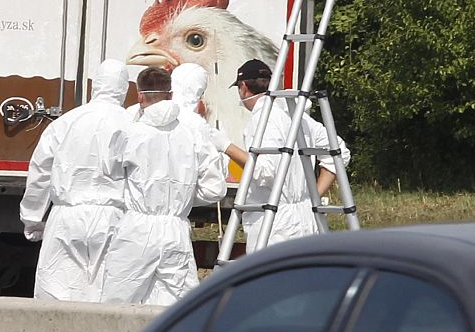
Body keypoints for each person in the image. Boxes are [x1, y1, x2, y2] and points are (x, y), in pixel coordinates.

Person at [100, 66, 228, 306]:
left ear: (139, 95)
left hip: (136, 227)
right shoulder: (192, 134)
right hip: (175, 228)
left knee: (116, 305)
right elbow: (215, 189)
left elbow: (109, 173)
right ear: (170, 94)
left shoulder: (129, 132)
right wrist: (184, 196)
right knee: (176, 308)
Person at [20, 58, 134, 301]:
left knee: (57, 290)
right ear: (124, 89)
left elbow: (40, 173)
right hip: (115, 217)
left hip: (66, 216)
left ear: (95, 86)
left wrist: (32, 218)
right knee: (106, 293)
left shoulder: (64, 123)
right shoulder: (133, 125)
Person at [223, 58, 350, 247]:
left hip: (273, 224)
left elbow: (265, 173)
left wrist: (227, 147)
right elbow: (339, 152)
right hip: (306, 217)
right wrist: (314, 195)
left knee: (270, 276)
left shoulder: (262, 119)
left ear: (243, 87)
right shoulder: (296, 116)